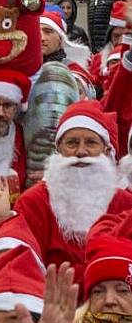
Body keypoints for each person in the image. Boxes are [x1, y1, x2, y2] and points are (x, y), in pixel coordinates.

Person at [14, 100, 132, 279]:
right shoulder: (33, 202)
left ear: (107, 151)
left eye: (91, 143)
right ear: (58, 149)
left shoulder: (125, 203)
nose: (81, 152)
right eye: (72, 143)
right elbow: (22, 266)